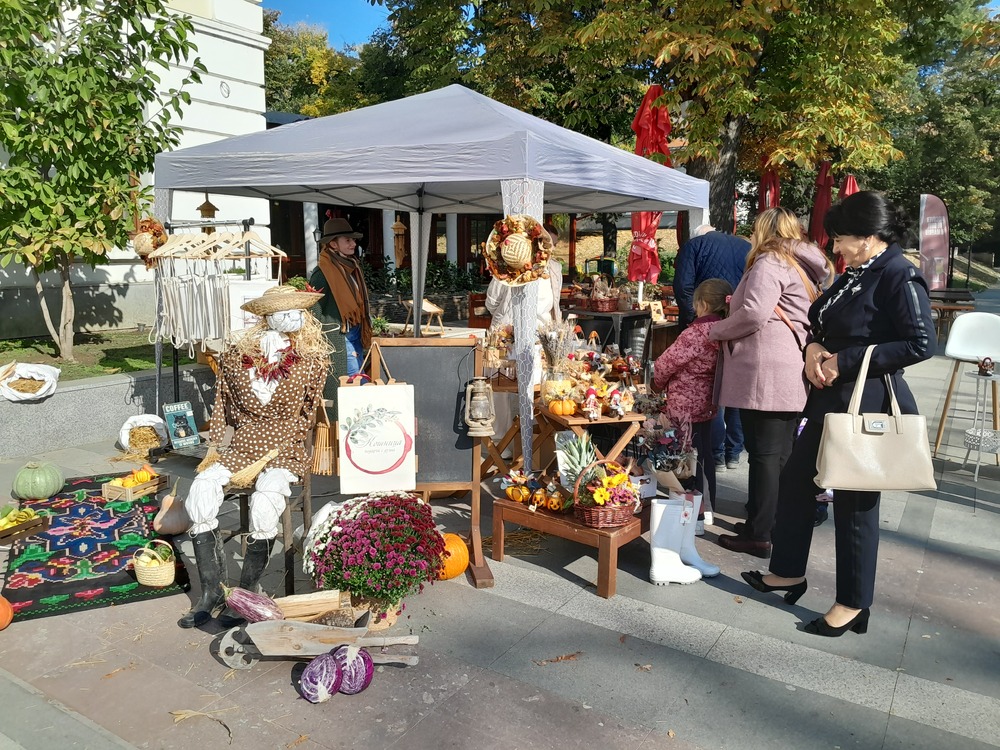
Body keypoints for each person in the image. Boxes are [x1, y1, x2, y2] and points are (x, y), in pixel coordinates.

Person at [741, 192, 935, 637]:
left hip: (865, 400)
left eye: (842, 239)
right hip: (830, 396)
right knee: (795, 480)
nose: (836, 248)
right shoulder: (860, 272)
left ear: (868, 238)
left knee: (854, 502)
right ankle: (788, 571)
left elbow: (920, 343)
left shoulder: (899, 275)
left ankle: (853, 602)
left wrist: (845, 362)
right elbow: (821, 321)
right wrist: (813, 348)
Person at [178, 286, 330, 628]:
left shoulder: (311, 360)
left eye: (298, 311)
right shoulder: (234, 357)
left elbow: (308, 413)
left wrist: (293, 443)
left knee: (265, 503)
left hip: (284, 448)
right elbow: (220, 405)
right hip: (243, 447)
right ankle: (212, 592)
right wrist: (215, 445)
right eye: (285, 311)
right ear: (267, 316)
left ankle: (248, 592)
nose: (295, 317)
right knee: (201, 490)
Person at [709, 207, 831, 559]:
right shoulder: (804, 264)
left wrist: (716, 330)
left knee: (763, 454)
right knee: (781, 455)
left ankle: (759, 533)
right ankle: (772, 523)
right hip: (791, 366)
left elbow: (753, 313)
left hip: (764, 371)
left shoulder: (770, 262)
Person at [651, 278, 732, 536]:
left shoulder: (696, 333)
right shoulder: (726, 330)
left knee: (684, 458)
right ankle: (707, 507)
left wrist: (656, 384)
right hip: (708, 402)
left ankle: (690, 513)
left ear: (703, 303)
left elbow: (666, 363)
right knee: (705, 454)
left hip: (684, 404)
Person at [673, 223, 751, 470]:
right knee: (735, 387)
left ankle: (715, 454)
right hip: (739, 324)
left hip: (708, 325)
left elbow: (683, 285)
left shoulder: (694, 245)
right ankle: (734, 451)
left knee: (710, 390)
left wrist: (693, 320)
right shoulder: (746, 246)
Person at [309, 217, 372, 387]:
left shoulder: (351, 267)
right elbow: (313, 308)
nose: (353, 244)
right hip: (340, 335)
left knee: (359, 377)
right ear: (333, 244)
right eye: (347, 240)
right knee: (354, 381)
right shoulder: (322, 272)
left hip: (355, 332)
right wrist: (326, 334)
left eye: (353, 240)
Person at [485, 222, 563, 327]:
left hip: (542, 331)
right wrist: (507, 316)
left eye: (554, 244)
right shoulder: (511, 264)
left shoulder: (555, 269)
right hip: (509, 330)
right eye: (547, 243)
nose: (551, 248)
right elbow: (492, 303)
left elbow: (555, 304)